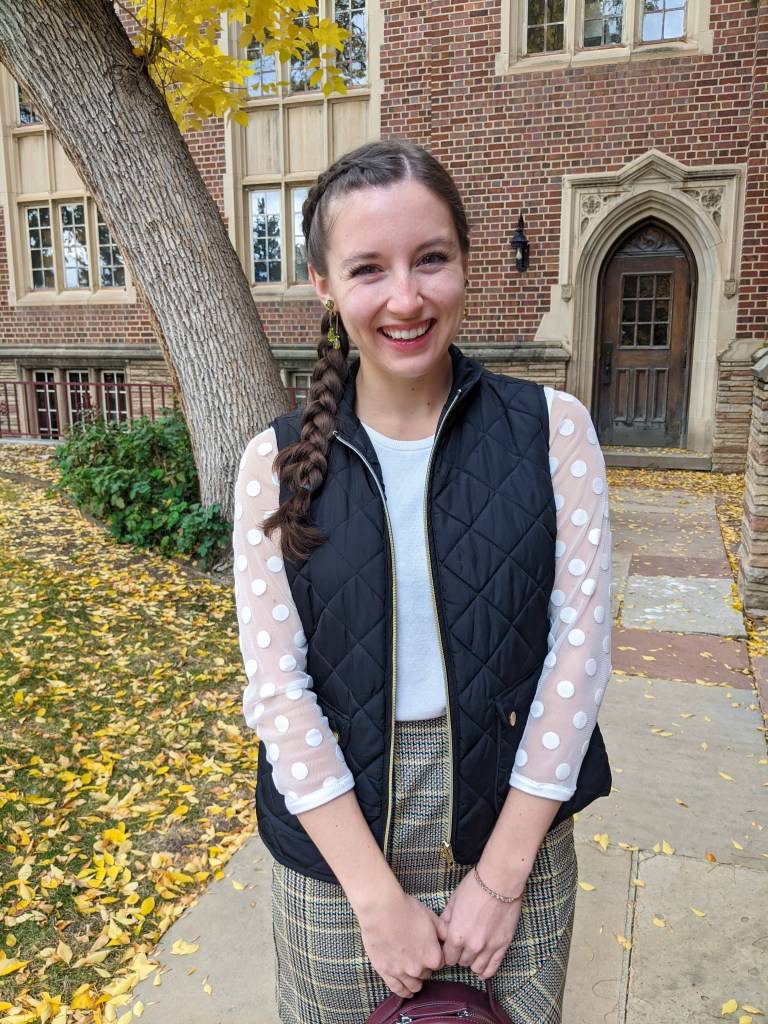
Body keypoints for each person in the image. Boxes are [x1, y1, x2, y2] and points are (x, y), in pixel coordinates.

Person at [233, 139, 612, 1024]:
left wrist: (503, 876)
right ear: (324, 285)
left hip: (514, 820)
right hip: (335, 846)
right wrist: (373, 900)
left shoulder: (552, 431)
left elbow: (579, 657)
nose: (406, 298)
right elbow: (278, 692)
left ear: (465, 263)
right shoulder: (274, 465)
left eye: (430, 258)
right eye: (368, 268)